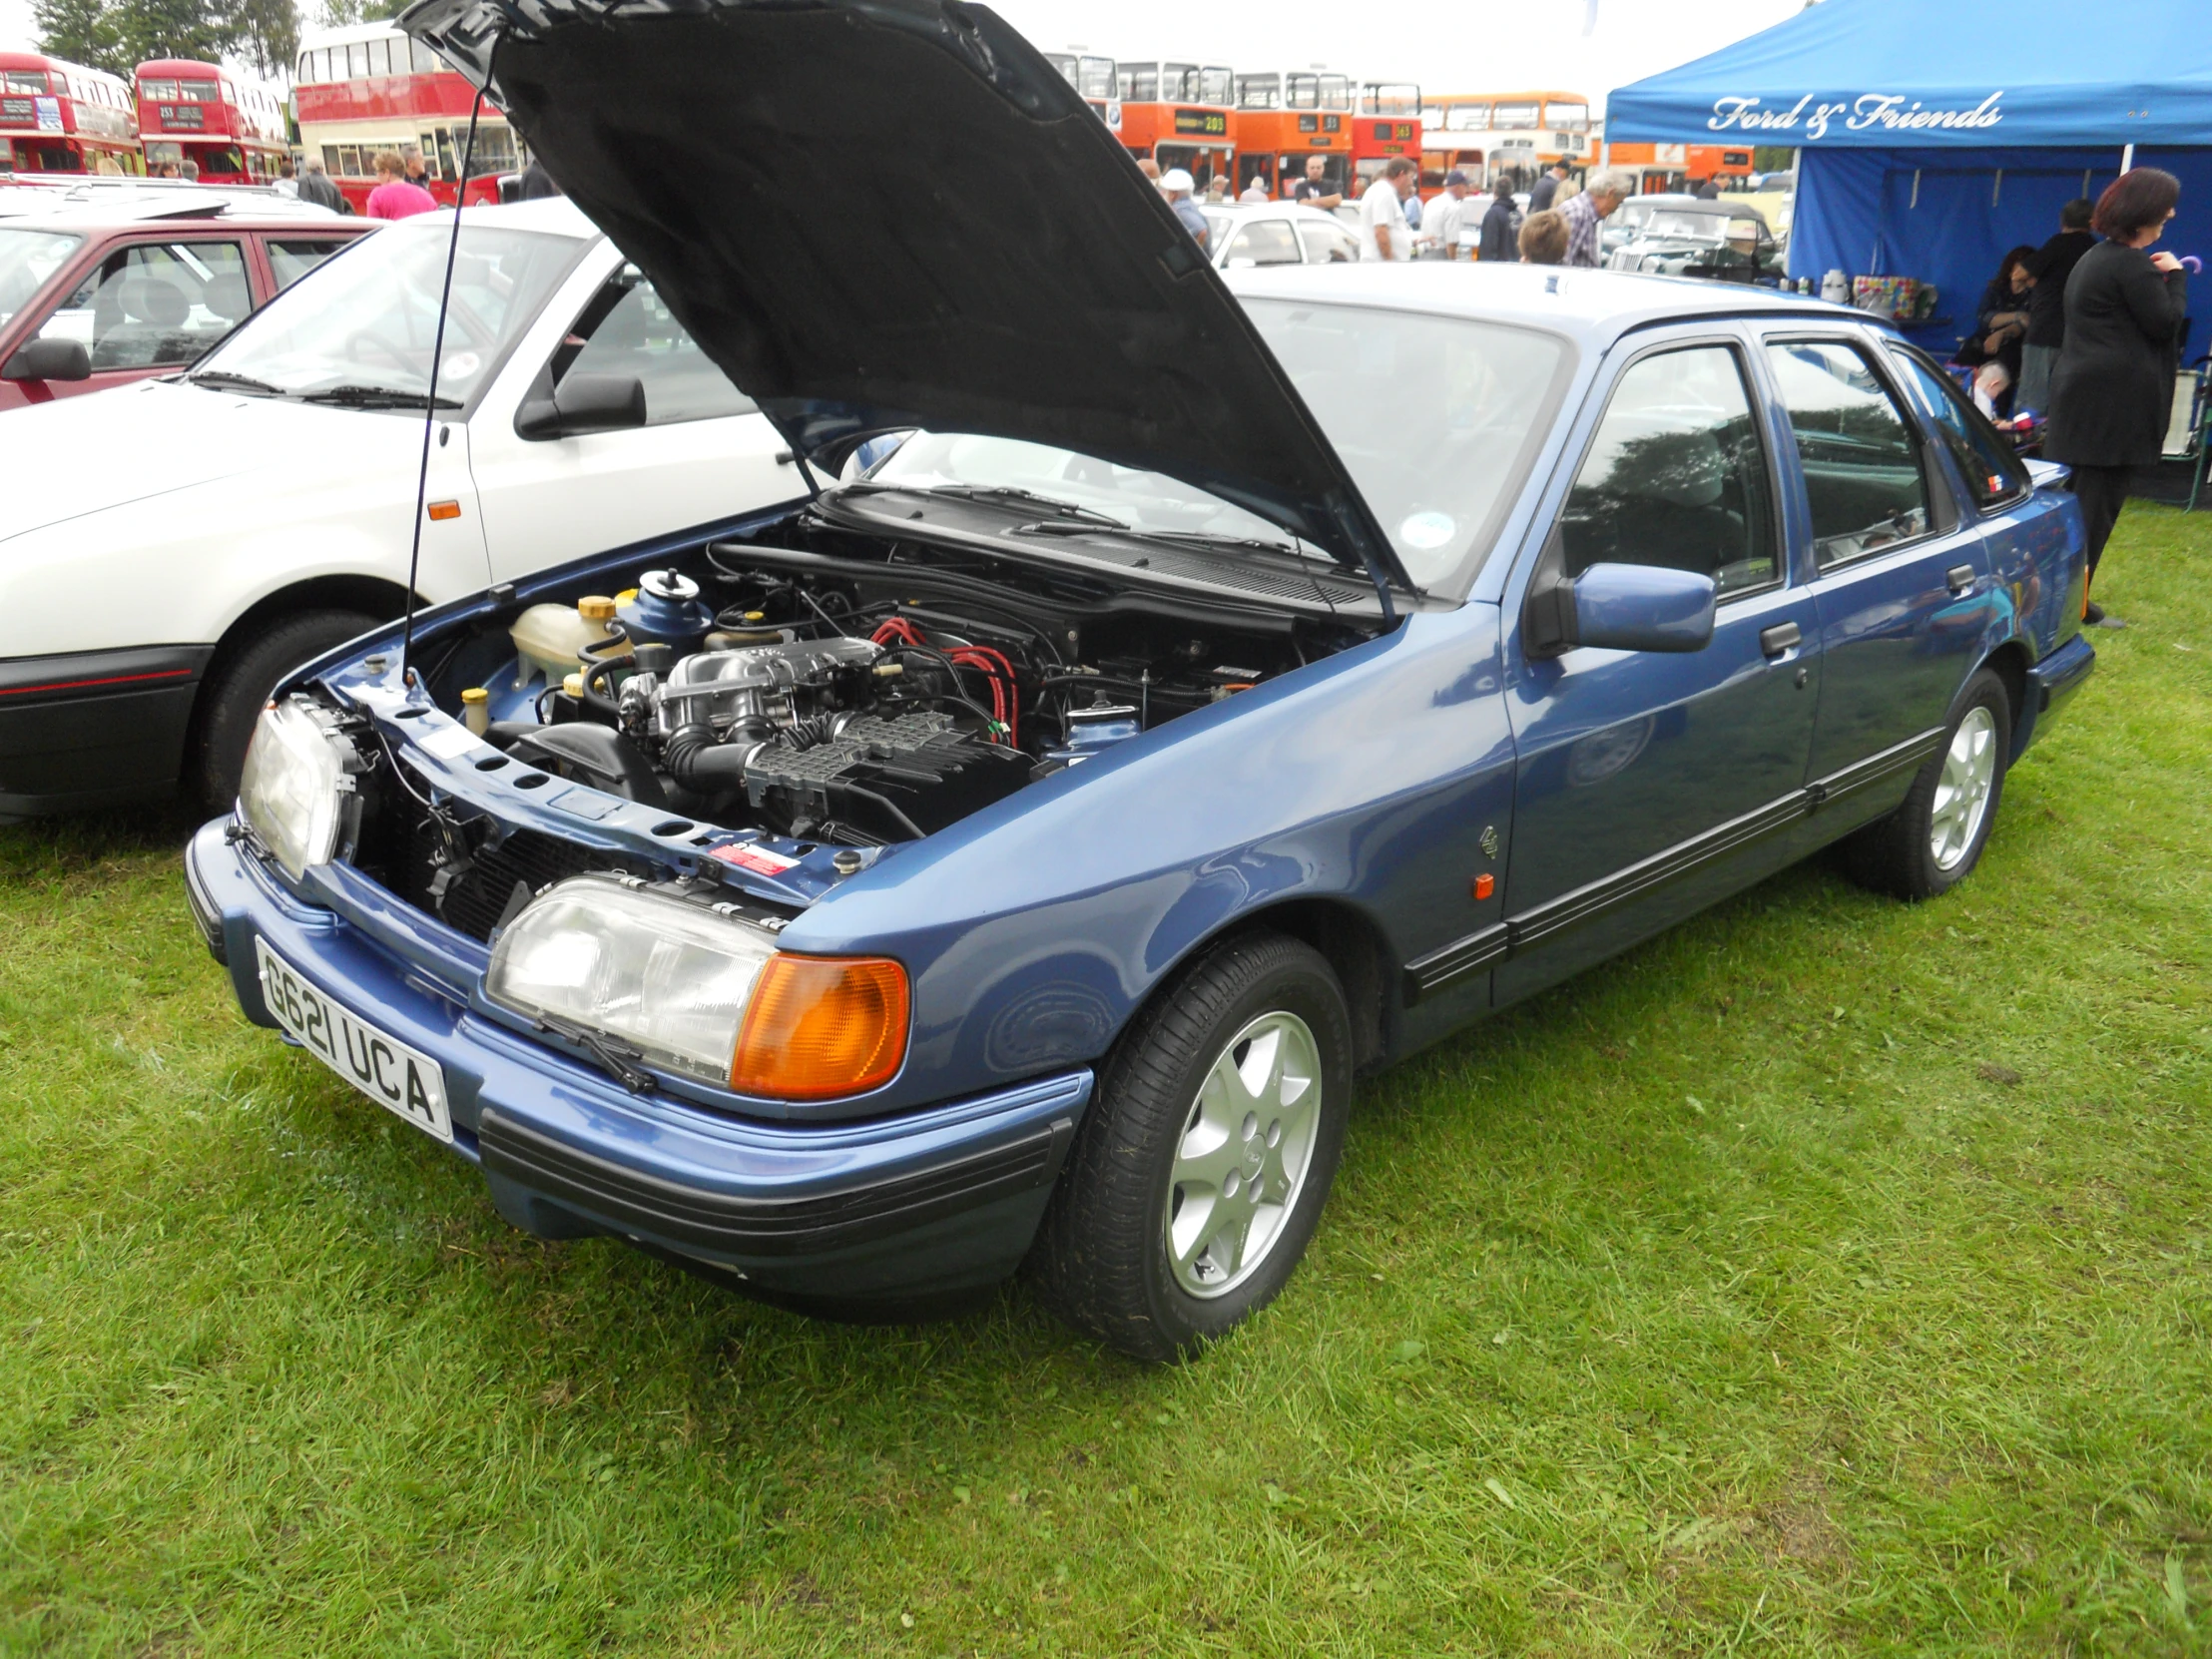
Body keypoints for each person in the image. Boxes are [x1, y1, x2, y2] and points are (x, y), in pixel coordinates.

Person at [2043, 169, 2187, 626]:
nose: (2171, 213)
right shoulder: (2130, 264)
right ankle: (2072, 606)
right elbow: (2164, 324)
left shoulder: (2095, 258)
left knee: (2076, 506)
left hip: (2083, 398)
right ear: (2143, 211)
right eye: (2166, 206)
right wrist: (2177, 278)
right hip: (2112, 405)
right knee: (2094, 510)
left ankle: (2068, 601)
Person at [2017, 198, 2097, 412]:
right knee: (2066, 405)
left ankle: (2027, 445)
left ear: (2063, 220)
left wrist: (2036, 285)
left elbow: (2019, 273)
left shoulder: (2058, 243)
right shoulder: (2096, 250)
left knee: (2032, 402)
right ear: (2092, 222)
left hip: (2045, 330)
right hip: (2080, 336)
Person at [1957, 245, 2037, 417]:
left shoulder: (2035, 293)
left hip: (2013, 346)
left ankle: (1994, 419)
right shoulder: (1995, 289)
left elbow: (2028, 323)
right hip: (1983, 340)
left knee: (2000, 371)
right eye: (2019, 264)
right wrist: (2017, 315)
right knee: (1962, 362)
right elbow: (1984, 318)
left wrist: (2001, 332)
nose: (2021, 270)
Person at [1559, 167, 1632, 269]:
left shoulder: (1581, 210)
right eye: (1618, 203)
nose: (1615, 210)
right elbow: (1563, 263)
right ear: (1610, 193)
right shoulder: (1579, 214)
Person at [1360, 156, 1417, 262]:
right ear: (1401, 174)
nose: (1411, 183)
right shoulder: (1384, 192)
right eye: (1411, 177)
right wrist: (1390, 263)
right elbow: (1381, 231)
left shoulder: (1382, 190)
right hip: (1381, 266)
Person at [365, 150, 438, 221]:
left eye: (377, 172)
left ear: (386, 173)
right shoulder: (425, 195)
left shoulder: (377, 195)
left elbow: (373, 229)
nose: (377, 177)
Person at [1421, 170, 1471, 259]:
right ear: (1458, 186)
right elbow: (1451, 242)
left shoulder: (1431, 202)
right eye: (1465, 186)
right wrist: (1452, 264)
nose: (1467, 189)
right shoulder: (1453, 208)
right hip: (1441, 255)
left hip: (1425, 254)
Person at [1161, 168, 1209, 251]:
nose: (1163, 194)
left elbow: (1201, 230)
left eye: (1165, 191)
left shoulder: (1180, 209)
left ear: (1173, 193)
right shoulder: (1189, 206)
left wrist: (1194, 254)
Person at [1477, 175, 1519, 263]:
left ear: (1494, 190)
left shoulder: (1493, 215)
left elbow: (1488, 248)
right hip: (1516, 269)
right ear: (1511, 191)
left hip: (1498, 271)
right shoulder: (1518, 215)